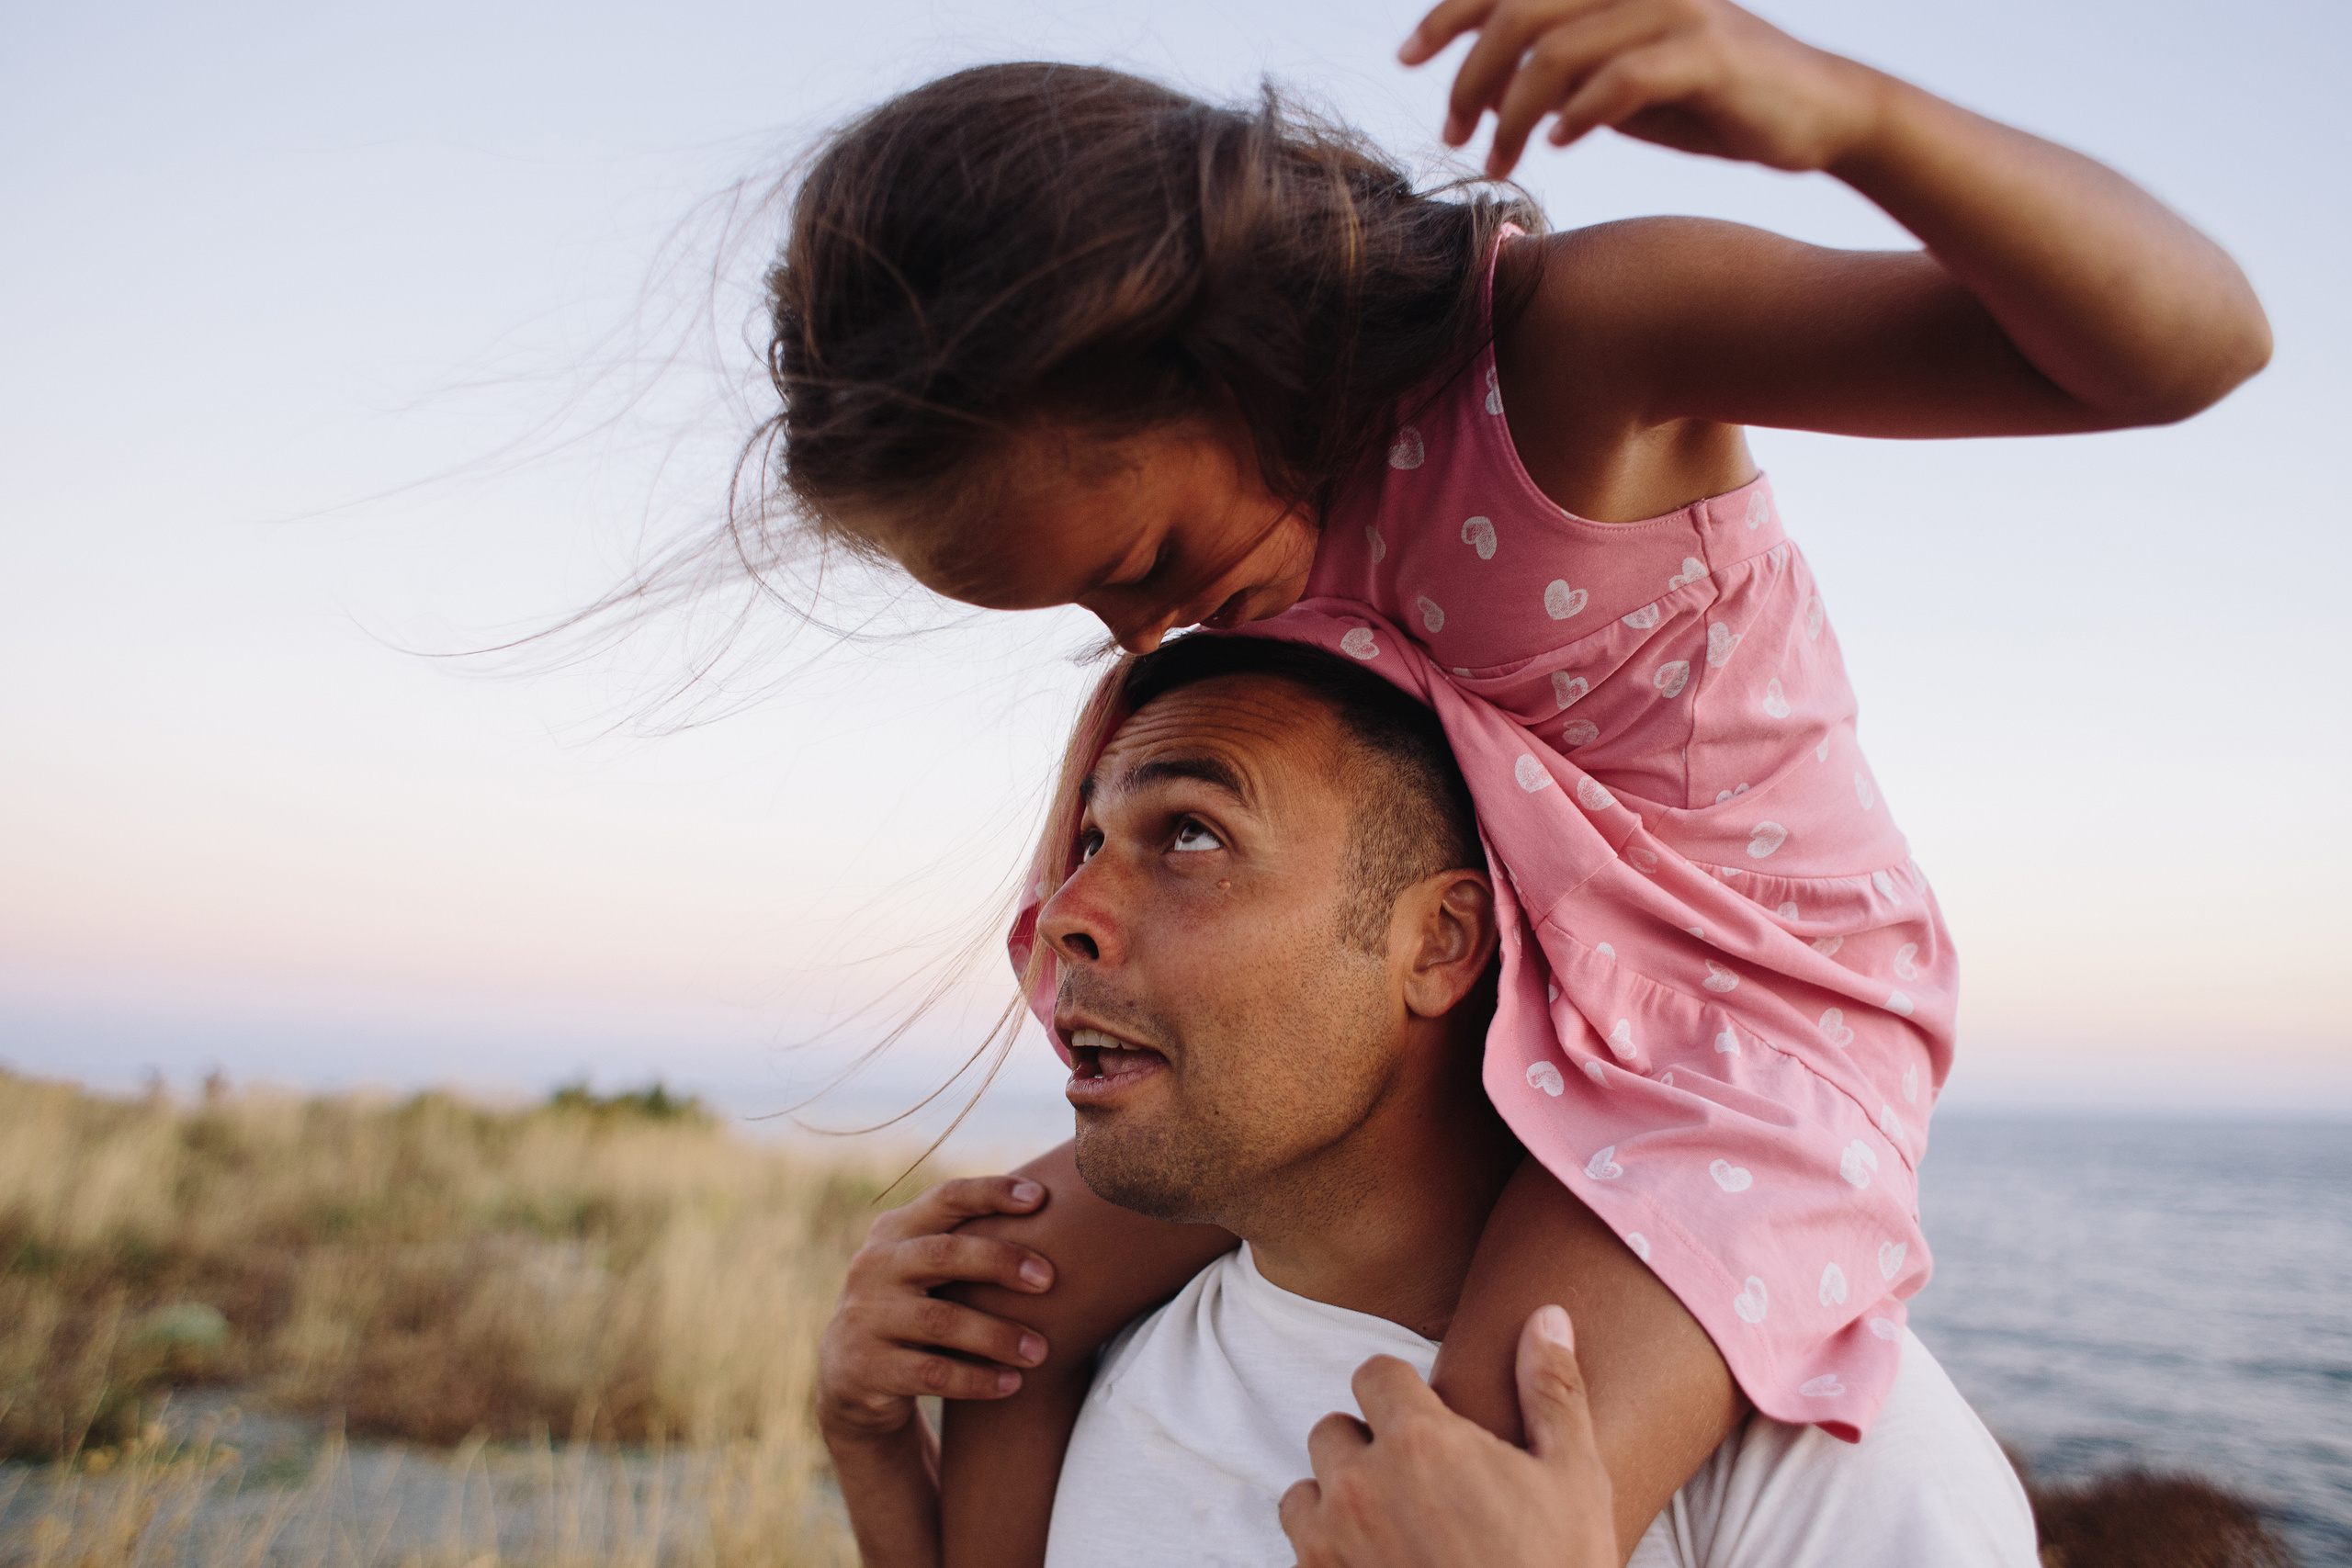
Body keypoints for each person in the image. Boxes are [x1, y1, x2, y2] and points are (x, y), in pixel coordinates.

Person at [743, 1, 2270, 1559]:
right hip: (1470, 996)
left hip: (1728, 1032)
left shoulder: (1571, 355)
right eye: (1080, 606)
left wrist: (1852, 118)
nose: (1144, 630)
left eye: (1141, 560)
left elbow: (2196, 347)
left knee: (1457, 1488)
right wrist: (871, 1446)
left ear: (1229, 345)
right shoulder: (1254, 555)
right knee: (986, 1311)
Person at [816, 634, 2039, 1566]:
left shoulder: (1821, 1461)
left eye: (1189, 835)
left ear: (1440, 942)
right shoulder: (1092, 1356)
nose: (1064, 916)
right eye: (1089, 843)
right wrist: (871, 1447)